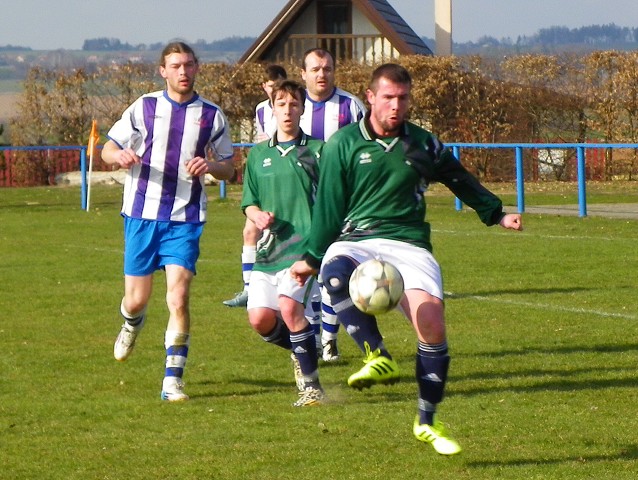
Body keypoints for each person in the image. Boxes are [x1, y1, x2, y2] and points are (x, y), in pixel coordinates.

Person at [290, 63, 523, 454]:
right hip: (357, 238)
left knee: (431, 322)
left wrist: (495, 212)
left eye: (402, 98)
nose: (396, 106)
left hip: (409, 242)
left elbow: (457, 177)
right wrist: (312, 257)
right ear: (370, 97)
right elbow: (328, 208)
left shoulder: (423, 143)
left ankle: (427, 420)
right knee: (333, 270)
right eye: (388, 98)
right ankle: (376, 354)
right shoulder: (343, 145)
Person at [101, 42, 235, 402]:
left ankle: (172, 380)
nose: (183, 71)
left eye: (189, 65)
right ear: (163, 70)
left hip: (185, 219)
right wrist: (119, 156)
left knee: (178, 296)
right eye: (176, 65)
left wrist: (211, 166)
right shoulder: (144, 107)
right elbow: (106, 148)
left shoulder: (211, 115)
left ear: (197, 68)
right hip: (142, 216)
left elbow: (229, 165)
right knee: (136, 300)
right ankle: (132, 322)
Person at [242, 79, 325, 407]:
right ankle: (301, 348)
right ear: (271, 109)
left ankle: (312, 388)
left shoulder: (319, 151)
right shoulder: (258, 155)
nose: (288, 110)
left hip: (304, 248)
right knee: (260, 319)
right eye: (281, 104)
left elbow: (335, 196)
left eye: (294, 104)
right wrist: (258, 215)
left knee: (290, 309)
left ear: (303, 108)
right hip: (270, 250)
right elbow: (248, 201)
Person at [299, 48, 367, 363]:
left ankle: (328, 340)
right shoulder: (289, 106)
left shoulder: (351, 106)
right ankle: (312, 334)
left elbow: (364, 151)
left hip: (340, 204)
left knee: (330, 272)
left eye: (327, 68)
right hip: (300, 203)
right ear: (303, 74)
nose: (321, 74)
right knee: (303, 273)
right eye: (315, 69)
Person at [223, 64, 288, 308]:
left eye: (277, 84)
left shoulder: (294, 107)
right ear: (264, 87)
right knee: (250, 232)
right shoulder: (261, 110)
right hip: (266, 180)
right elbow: (262, 143)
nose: (273, 89)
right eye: (269, 86)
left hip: (288, 182)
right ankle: (249, 288)